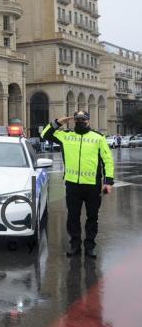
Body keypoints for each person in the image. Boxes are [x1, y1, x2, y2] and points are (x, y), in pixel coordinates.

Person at [41, 111, 114, 259]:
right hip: (72, 185)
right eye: (77, 119)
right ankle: (75, 245)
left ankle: (89, 246)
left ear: (88, 121)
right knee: (73, 217)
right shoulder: (66, 136)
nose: (80, 121)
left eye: (83, 119)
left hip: (92, 185)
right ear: (74, 121)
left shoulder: (98, 137)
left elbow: (107, 160)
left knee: (92, 217)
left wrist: (108, 182)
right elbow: (45, 134)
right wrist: (59, 122)